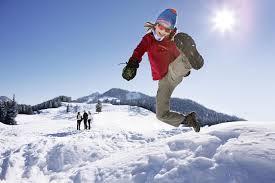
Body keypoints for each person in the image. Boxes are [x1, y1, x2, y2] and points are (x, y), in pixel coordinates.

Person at [122, 9, 203, 132]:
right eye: (161, 26)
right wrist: (132, 63)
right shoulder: (148, 39)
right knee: (161, 115)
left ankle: (190, 56)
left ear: (171, 31)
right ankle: (187, 119)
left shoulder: (172, 40)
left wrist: (185, 67)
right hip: (163, 81)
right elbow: (139, 50)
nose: (163, 31)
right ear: (156, 24)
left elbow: (177, 55)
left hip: (173, 72)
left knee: (175, 67)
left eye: (167, 30)